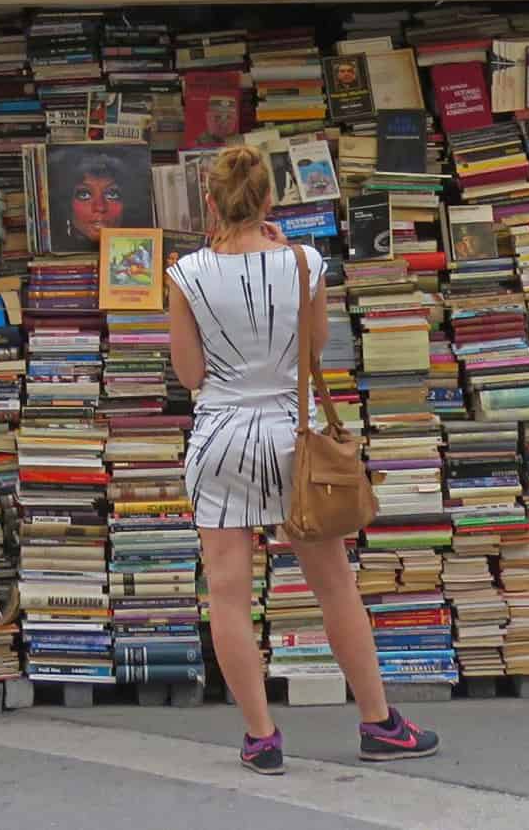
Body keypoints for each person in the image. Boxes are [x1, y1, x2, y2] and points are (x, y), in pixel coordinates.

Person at [166, 145, 438, 773]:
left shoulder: (185, 274)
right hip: (297, 438)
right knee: (333, 584)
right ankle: (378, 722)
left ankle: (261, 736)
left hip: (222, 438)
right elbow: (316, 350)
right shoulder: (304, 261)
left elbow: (190, 373)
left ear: (210, 201)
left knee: (229, 592)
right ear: (269, 201)